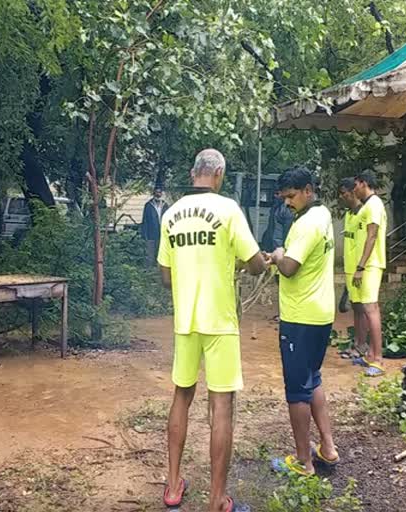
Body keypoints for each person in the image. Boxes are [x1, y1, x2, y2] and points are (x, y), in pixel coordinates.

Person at [158, 149, 266, 512]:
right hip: (219, 320)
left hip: (185, 321)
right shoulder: (229, 210)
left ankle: (173, 486)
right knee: (222, 406)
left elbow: (165, 275)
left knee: (181, 396)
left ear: (193, 174)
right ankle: (217, 500)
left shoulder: (171, 214)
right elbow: (254, 264)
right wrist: (241, 262)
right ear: (218, 174)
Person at [268, 166, 339, 476]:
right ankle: (328, 447)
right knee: (313, 378)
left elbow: (290, 267)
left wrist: (280, 254)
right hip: (321, 313)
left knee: (297, 390)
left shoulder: (308, 224)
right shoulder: (322, 214)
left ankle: (303, 461)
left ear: (308, 190)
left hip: (301, 317)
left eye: (292, 196)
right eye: (284, 198)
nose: (287, 203)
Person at [351, 169, 387, 378]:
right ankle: (371, 354)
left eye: (355, 185)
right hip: (367, 264)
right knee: (366, 308)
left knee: (371, 308)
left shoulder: (373, 205)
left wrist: (361, 266)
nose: (354, 189)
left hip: (371, 264)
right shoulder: (368, 206)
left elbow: (371, 237)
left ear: (363, 183)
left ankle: (379, 360)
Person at [338, 178, 367, 360]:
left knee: (362, 307)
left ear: (353, 191)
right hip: (349, 268)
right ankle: (357, 343)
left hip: (359, 269)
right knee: (355, 307)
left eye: (344, 193)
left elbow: (366, 243)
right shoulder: (349, 215)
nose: (342, 197)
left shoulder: (365, 214)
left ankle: (362, 345)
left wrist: (361, 268)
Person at [141, 185, 169, 267]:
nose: (158, 194)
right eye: (156, 192)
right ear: (154, 193)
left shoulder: (165, 205)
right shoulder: (148, 205)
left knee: (161, 253)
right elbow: (145, 220)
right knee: (150, 254)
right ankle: (149, 272)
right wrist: (144, 234)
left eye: (159, 192)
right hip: (151, 233)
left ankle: (159, 270)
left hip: (163, 233)